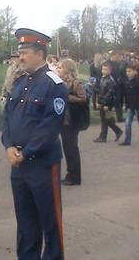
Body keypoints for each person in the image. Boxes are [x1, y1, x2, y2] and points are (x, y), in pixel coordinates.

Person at [2, 28, 68, 260]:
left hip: (41, 163)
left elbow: (50, 126)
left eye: (25, 52)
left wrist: (26, 152)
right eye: (19, 52)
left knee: (49, 220)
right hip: (19, 165)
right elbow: (7, 117)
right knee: (25, 219)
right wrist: (9, 145)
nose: (20, 57)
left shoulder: (54, 84)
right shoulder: (20, 82)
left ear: (40, 53)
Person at [56, 58, 87, 186]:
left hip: (72, 120)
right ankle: (70, 174)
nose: (58, 69)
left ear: (68, 70)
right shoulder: (61, 82)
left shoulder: (76, 83)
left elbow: (83, 99)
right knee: (67, 148)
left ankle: (75, 176)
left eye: (60, 67)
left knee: (71, 148)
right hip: (63, 120)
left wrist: (67, 97)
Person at [93, 62, 122, 143]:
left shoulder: (111, 81)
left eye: (106, 69)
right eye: (103, 69)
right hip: (103, 101)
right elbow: (101, 91)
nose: (103, 71)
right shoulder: (103, 78)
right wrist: (98, 100)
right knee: (106, 119)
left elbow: (110, 94)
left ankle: (103, 136)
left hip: (108, 103)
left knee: (105, 119)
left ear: (110, 71)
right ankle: (117, 131)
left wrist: (104, 103)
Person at [119, 62, 139, 146]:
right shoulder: (127, 82)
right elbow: (126, 95)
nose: (128, 73)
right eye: (127, 71)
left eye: (129, 71)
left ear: (135, 71)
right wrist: (125, 105)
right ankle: (127, 140)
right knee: (127, 123)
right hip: (130, 106)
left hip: (138, 106)